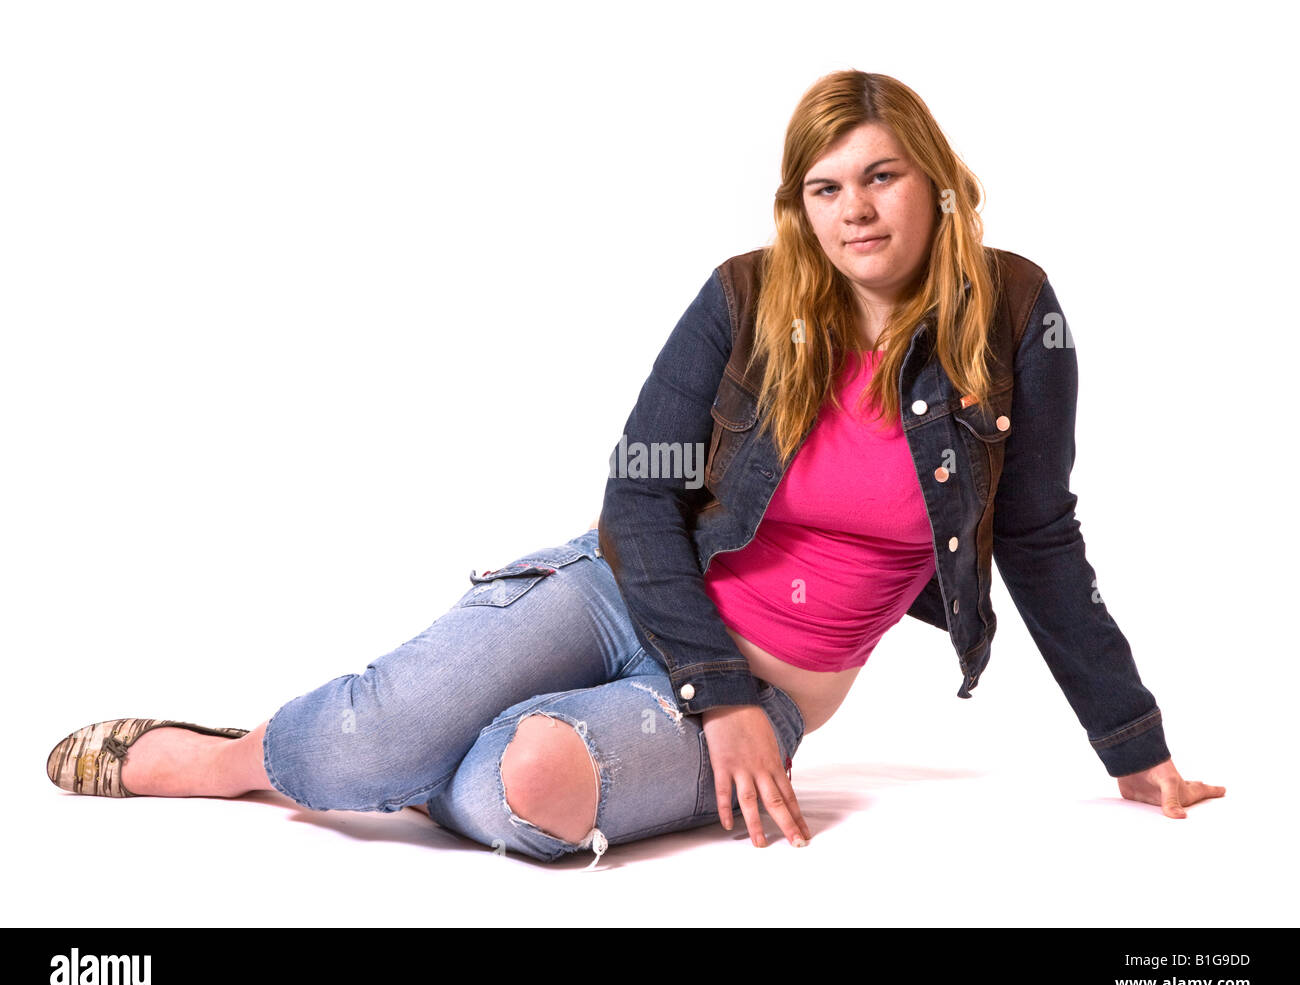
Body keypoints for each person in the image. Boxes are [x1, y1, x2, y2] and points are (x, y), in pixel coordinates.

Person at [45, 69, 1223, 866]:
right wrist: (706, 682)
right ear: (796, 205)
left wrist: (1134, 744)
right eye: (825, 186)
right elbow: (637, 493)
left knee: (536, 791)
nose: (855, 209)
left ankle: (431, 757)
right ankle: (239, 756)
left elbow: (1037, 537)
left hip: (774, 687)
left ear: (933, 179)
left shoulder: (1013, 315)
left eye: (880, 176)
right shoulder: (745, 298)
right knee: (354, 747)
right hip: (621, 591)